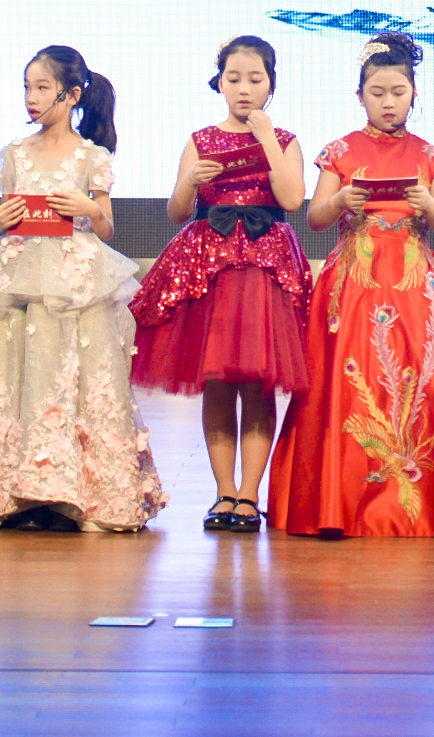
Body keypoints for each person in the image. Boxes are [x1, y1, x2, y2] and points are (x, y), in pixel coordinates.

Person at [268, 32, 434, 538]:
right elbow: (314, 218)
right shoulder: (340, 151)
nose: (388, 102)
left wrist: (428, 204)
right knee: (349, 382)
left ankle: (432, 504)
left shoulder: (429, 155)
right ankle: (342, 502)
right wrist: (341, 202)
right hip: (355, 283)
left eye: (398, 92)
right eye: (377, 92)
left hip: (416, 286)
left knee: (423, 382)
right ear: (360, 96)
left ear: (413, 93)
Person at [0, 47, 165, 530]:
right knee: (9, 372)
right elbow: (6, 214)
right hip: (21, 274)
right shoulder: (14, 153)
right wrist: (0, 218)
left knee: (75, 375)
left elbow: (106, 226)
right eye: (27, 88)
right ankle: (4, 493)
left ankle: (80, 495)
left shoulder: (91, 156)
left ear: (71, 95)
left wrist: (89, 209)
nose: (31, 98)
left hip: (74, 278)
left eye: (42, 88)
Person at [130, 35, 309, 533]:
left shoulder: (285, 140)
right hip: (210, 270)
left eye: (255, 79)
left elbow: (292, 199)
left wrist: (266, 138)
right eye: (234, 79)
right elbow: (176, 211)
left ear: (271, 84)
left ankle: (250, 494)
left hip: (264, 271)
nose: (244, 89)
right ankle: (223, 491)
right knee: (218, 382)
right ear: (220, 83)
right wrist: (192, 180)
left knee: (257, 381)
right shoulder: (201, 139)